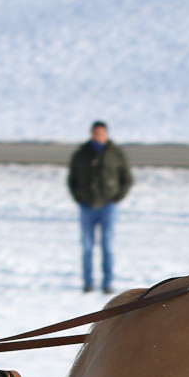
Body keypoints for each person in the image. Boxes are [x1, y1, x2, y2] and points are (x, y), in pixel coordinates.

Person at [66, 120, 132, 293]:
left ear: (106, 134)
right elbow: (72, 179)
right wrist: (78, 198)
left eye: (101, 133)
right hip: (87, 206)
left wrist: (117, 197)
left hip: (108, 206)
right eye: (95, 133)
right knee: (87, 246)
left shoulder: (116, 153)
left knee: (107, 246)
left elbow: (126, 178)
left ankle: (107, 282)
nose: (98, 136)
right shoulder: (82, 154)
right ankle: (88, 282)